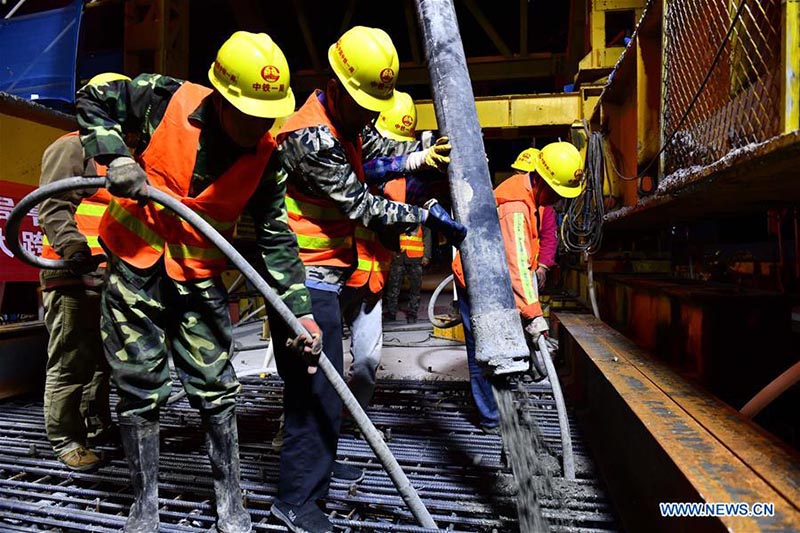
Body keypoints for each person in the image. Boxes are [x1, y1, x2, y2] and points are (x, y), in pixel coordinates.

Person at [75, 32, 320, 533]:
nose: (257, 126)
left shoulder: (267, 157)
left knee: (215, 386)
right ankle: (145, 502)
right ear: (222, 96)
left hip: (198, 280)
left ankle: (229, 495)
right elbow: (93, 96)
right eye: (248, 114)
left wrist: (302, 312)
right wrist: (116, 156)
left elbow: (278, 239)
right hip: (133, 265)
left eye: (265, 116)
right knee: (139, 385)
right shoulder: (165, 99)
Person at [271, 26, 466, 532]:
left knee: (327, 390)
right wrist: (424, 217)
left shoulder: (349, 121)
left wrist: (420, 159)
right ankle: (295, 501)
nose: (367, 114)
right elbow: (360, 202)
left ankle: (320, 476)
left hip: (328, 278)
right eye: (361, 102)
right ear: (335, 82)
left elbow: (380, 156)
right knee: (314, 392)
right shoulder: (309, 135)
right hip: (304, 282)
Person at [452, 142, 584, 433]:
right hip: (478, 281)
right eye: (556, 193)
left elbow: (525, 260)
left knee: (504, 346)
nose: (557, 201)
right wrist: (534, 313)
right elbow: (516, 262)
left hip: (494, 279)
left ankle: (503, 408)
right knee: (484, 350)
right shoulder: (515, 205)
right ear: (540, 179)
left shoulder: (532, 197)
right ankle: (491, 418)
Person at [38, 77, 129, 470]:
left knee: (101, 362)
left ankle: (96, 425)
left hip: (107, 276)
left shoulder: (121, 155)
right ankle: (66, 439)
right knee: (71, 361)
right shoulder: (72, 146)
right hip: (70, 274)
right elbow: (52, 206)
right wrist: (74, 249)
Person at [510, 148, 559, 289]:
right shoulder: (508, 202)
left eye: (524, 174)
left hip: (529, 270)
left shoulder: (544, 205)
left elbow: (549, 237)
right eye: (518, 173)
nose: (520, 179)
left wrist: (542, 266)